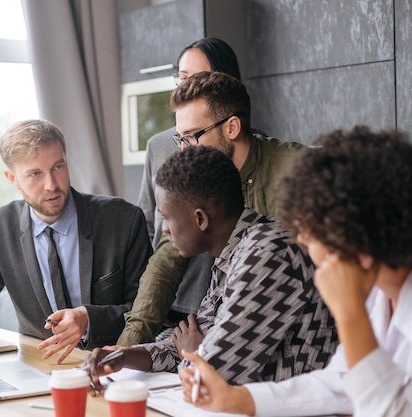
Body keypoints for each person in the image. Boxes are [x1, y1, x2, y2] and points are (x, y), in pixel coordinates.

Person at [179, 126, 412, 416]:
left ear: (357, 242)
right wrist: (240, 399)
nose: (303, 246)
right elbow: (341, 383)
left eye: (311, 236)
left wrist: (351, 315)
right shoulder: (381, 291)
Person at [87, 145, 337, 390]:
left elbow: (209, 378)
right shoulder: (234, 251)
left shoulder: (267, 254)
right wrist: (124, 357)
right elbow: (188, 345)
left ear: (200, 219)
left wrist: (195, 350)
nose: (164, 228)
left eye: (167, 217)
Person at [118, 70, 307, 346]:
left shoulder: (301, 171)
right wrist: (126, 347)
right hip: (223, 331)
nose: (185, 151)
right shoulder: (196, 178)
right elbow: (166, 262)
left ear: (232, 127)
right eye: (180, 139)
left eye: (193, 136)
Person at [0, 119, 152, 364]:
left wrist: (88, 319)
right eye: (35, 174)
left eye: (58, 167)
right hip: (39, 365)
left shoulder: (123, 220)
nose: (52, 185)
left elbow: (149, 311)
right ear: (12, 179)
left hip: (112, 363)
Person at [129, 38, 245, 341]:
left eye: (197, 78)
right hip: (170, 303)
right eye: (182, 78)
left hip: (226, 305)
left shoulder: (242, 146)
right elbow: (150, 224)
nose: (186, 86)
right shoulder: (160, 145)